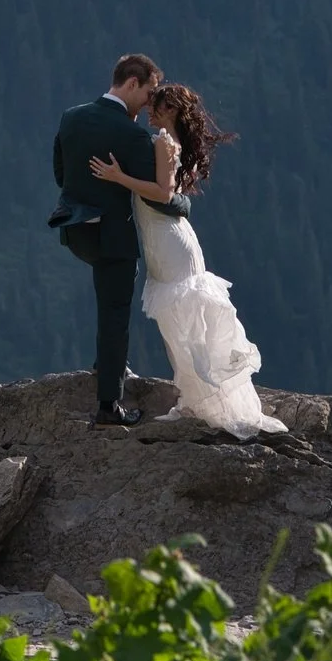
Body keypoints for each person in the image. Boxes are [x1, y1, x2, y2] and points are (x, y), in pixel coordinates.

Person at [88, 80, 285, 439]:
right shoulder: (170, 142)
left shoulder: (163, 142)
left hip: (169, 242)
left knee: (186, 324)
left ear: (173, 111)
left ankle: (211, 402)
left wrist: (119, 177)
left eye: (158, 107)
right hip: (165, 241)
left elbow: (163, 194)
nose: (151, 111)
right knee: (180, 326)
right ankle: (199, 400)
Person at [50, 55, 174, 425]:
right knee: (115, 312)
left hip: (76, 230)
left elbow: (61, 174)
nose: (151, 101)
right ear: (132, 83)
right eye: (150, 92)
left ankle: (105, 364)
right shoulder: (131, 134)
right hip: (113, 236)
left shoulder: (71, 116)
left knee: (107, 304)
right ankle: (109, 406)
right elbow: (156, 193)